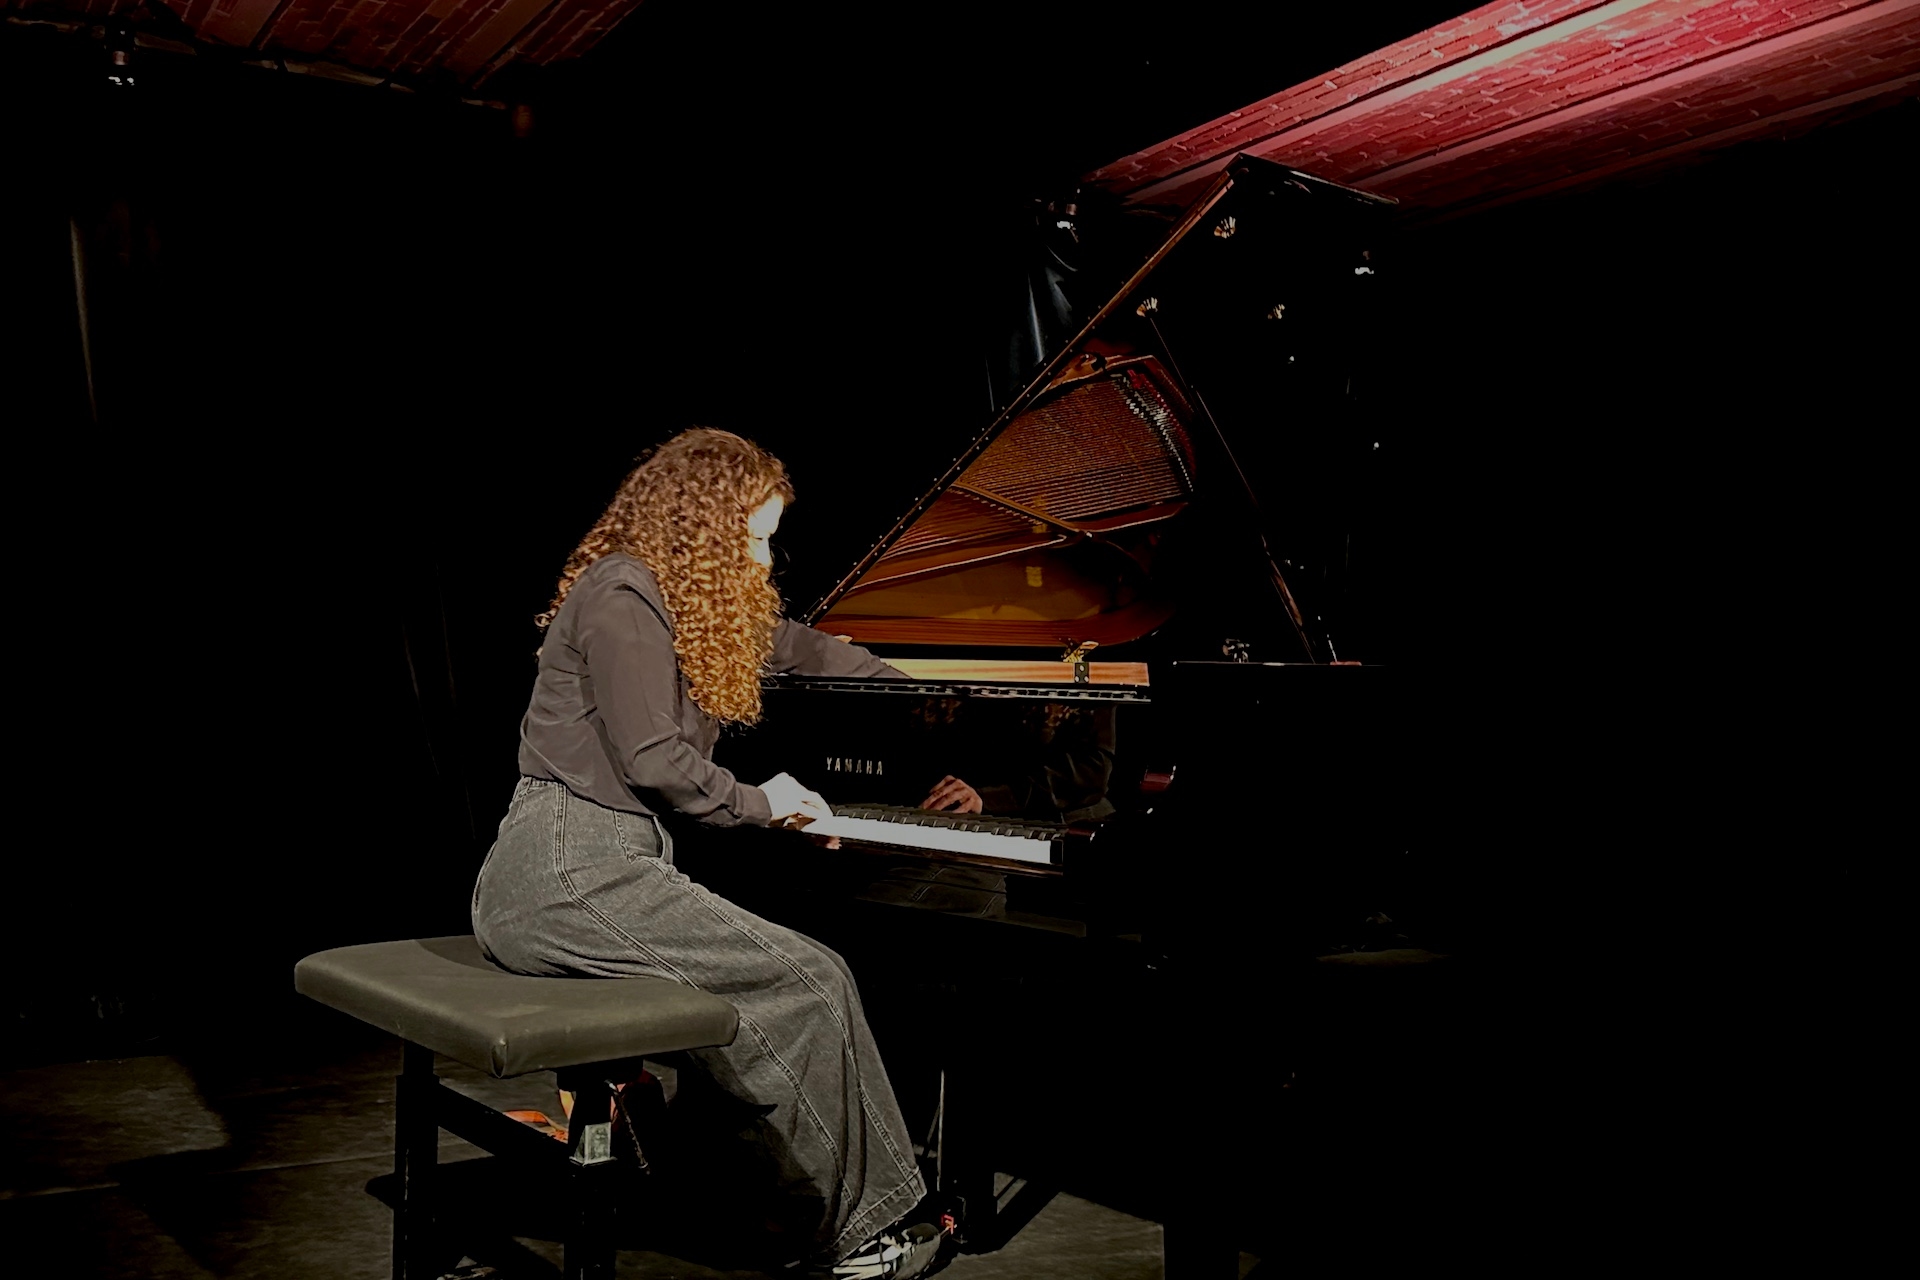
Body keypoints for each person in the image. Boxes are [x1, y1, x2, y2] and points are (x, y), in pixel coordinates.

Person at [471, 428, 946, 1279]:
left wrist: (934, 699)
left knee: (780, 989)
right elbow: (655, 760)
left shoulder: (687, 608)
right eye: (754, 538)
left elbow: (805, 647)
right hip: (566, 867)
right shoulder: (623, 594)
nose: (764, 559)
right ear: (701, 527)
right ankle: (862, 1237)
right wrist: (766, 803)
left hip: (605, 863)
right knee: (810, 980)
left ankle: (757, 1205)